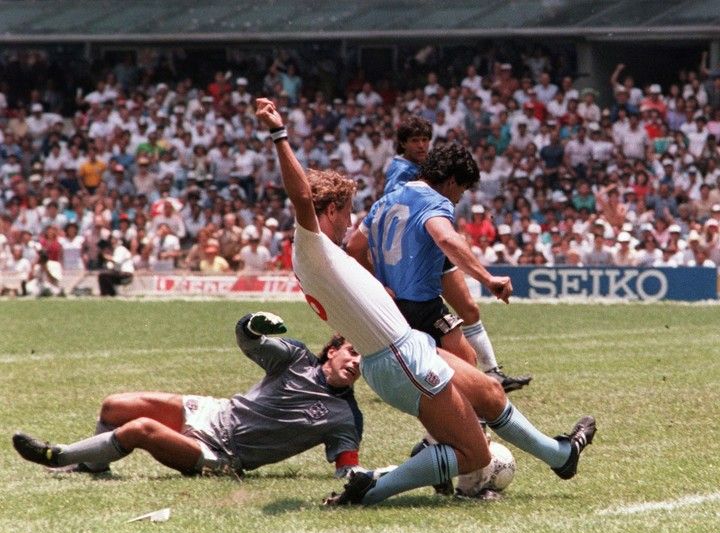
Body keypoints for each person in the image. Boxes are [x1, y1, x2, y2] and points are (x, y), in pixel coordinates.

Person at [254, 98, 595, 507]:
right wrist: (279, 134)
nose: (349, 223)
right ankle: (372, 488)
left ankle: (561, 456)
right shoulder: (313, 247)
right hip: (399, 359)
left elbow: (358, 251)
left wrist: (378, 290)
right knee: (474, 455)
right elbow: (301, 197)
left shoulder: (327, 255)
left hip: (405, 346)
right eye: (345, 214)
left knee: (489, 391)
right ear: (329, 210)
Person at [13, 312, 364, 479]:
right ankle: (94, 464)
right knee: (114, 406)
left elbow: (347, 469)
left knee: (141, 429)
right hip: (213, 412)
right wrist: (253, 322)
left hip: (223, 454)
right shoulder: (296, 357)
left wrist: (364, 479)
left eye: (364, 359)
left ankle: (57, 456)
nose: (355, 362)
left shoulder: (346, 417)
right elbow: (249, 340)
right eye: (352, 351)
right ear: (332, 350)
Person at [348, 145, 531, 392]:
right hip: (421, 303)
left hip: (389, 303)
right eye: (462, 189)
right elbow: (445, 238)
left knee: (439, 370)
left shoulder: (384, 201)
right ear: (451, 181)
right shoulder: (435, 202)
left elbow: (354, 246)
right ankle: (468, 415)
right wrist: (488, 278)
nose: (459, 198)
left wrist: (379, 284)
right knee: (466, 366)